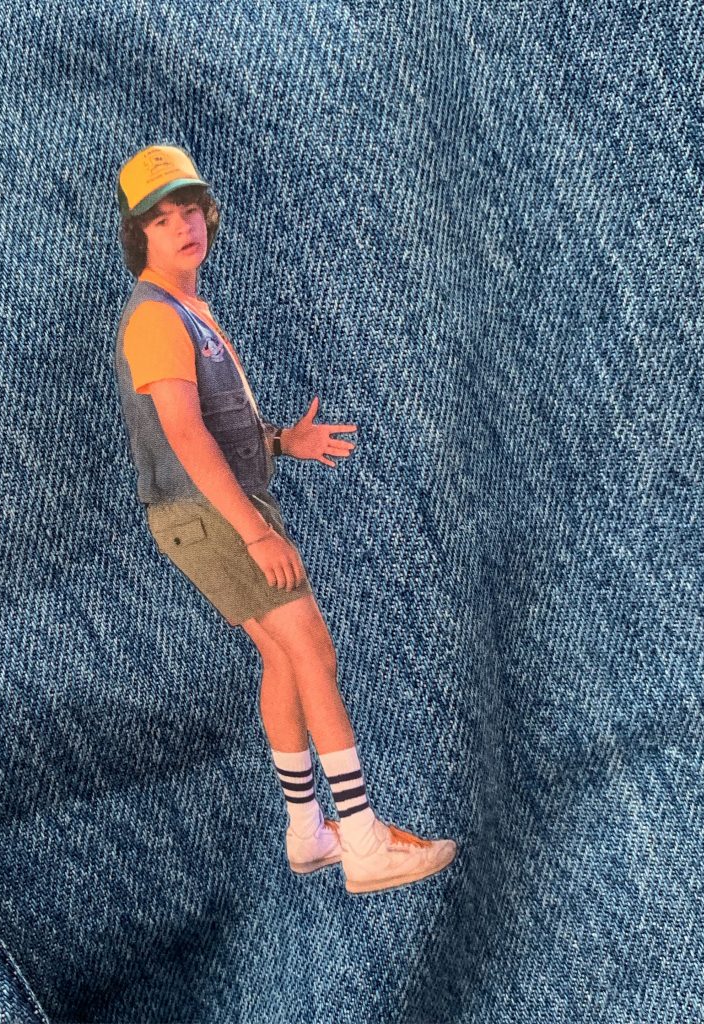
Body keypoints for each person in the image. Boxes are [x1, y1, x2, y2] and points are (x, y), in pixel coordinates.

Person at [112, 143, 457, 895]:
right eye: (162, 219)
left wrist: (278, 443)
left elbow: (215, 427)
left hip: (203, 512)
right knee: (313, 651)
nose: (184, 227)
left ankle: (308, 834)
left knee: (283, 658)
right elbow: (185, 435)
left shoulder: (185, 310)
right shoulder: (155, 318)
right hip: (212, 514)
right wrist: (257, 531)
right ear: (139, 234)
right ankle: (363, 842)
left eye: (190, 209)